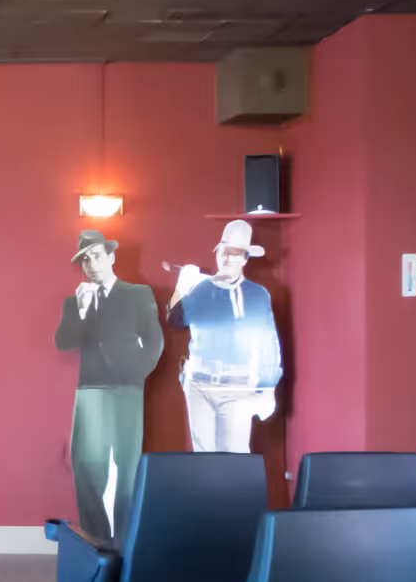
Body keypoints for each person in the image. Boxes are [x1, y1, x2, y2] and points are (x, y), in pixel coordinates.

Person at [53, 229, 164, 540]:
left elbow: (155, 340)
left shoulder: (137, 294)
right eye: (85, 259)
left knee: (124, 465)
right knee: (86, 463)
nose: (91, 263)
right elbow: (64, 342)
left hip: (127, 388)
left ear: (111, 257)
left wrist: (137, 373)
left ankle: (123, 541)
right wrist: (82, 309)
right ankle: (95, 536)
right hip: (89, 389)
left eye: (96, 255)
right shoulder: (74, 300)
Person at [166, 219, 281, 453]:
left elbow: (269, 343)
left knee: (235, 456)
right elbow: (173, 320)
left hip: (238, 386)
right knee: (204, 457)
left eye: (235, 253)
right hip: (199, 384)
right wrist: (182, 286)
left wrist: (269, 387)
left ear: (245, 259)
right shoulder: (200, 290)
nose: (227, 258)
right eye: (223, 251)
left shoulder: (258, 295)